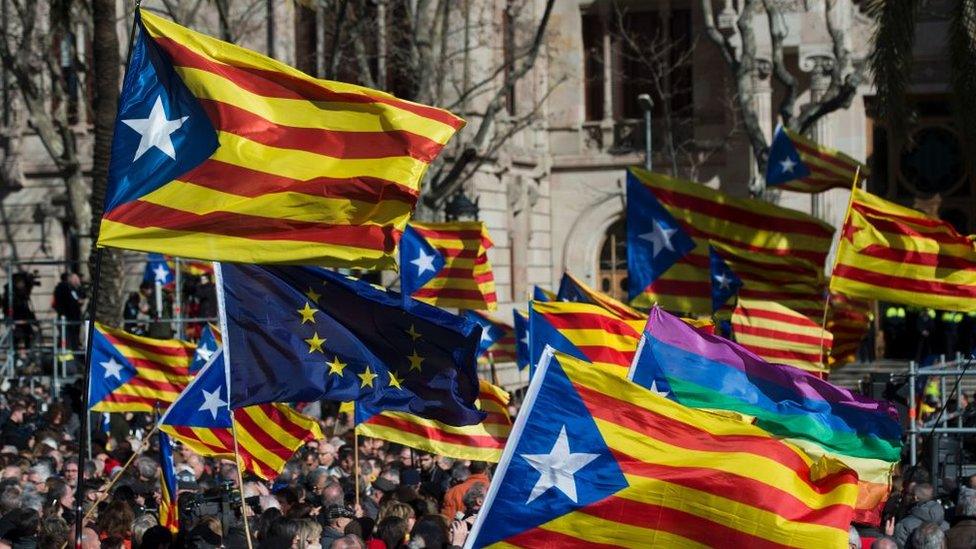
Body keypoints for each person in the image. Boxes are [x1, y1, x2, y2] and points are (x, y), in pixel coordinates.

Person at [52, 272, 84, 350]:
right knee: (67, 338)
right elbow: (71, 302)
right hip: (67, 318)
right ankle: (67, 356)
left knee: (72, 339)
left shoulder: (73, 289)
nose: (77, 280)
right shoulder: (64, 288)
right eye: (75, 279)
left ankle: (72, 353)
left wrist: (78, 287)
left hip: (73, 318)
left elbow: (81, 297)